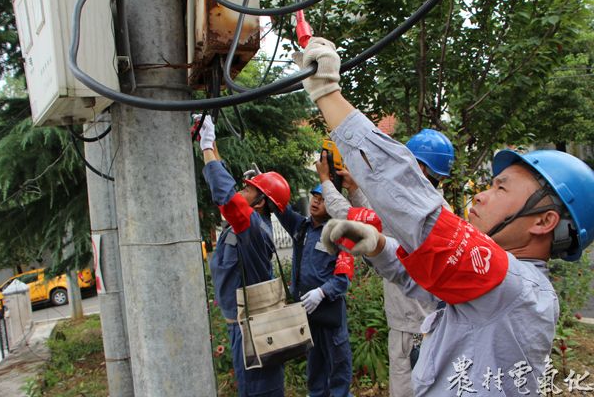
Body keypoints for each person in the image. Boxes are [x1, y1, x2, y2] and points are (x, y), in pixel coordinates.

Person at [294, 37, 594, 396]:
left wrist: (327, 90)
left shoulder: (516, 287)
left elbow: (416, 206)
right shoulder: (494, 286)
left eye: (501, 188)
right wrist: (378, 247)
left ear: (543, 221)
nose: (481, 196)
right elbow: (426, 280)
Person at [316, 133, 455, 397]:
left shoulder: (415, 212)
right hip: (425, 323)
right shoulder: (433, 208)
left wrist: (326, 181)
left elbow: (353, 221)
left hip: (413, 328)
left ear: (421, 168)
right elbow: (380, 219)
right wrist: (355, 190)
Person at [198, 116, 288, 396]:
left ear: (261, 203)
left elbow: (226, 196)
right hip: (242, 326)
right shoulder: (245, 227)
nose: (241, 189)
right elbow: (229, 197)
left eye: (249, 190)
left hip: (253, 328)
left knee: (259, 391)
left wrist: (205, 147)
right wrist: (210, 143)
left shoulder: (252, 229)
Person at [274, 184, 352, 397]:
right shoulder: (302, 227)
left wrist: (322, 292)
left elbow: (343, 279)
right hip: (307, 311)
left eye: (323, 198)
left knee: (338, 364)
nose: (316, 201)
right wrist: (263, 183)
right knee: (315, 364)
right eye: (314, 197)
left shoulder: (339, 234)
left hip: (329, 310)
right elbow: (280, 207)